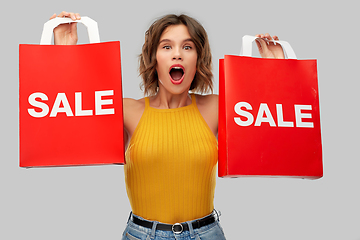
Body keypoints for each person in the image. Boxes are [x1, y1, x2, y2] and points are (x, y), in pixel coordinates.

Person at [50, 11, 285, 240]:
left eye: (187, 46)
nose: (177, 55)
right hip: (141, 235)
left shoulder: (217, 107)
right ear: (154, 59)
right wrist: (65, 52)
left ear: (197, 59)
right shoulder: (127, 111)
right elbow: (71, 120)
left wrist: (277, 73)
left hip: (206, 234)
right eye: (166, 46)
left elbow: (273, 133)